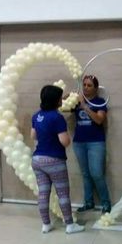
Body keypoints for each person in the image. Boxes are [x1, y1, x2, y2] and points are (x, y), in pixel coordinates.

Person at [31, 85, 85, 234]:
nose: (62, 100)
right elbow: (65, 141)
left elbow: (33, 136)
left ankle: (46, 224)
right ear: (56, 100)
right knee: (62, 193)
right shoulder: (57, 118)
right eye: (60, 97)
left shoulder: (36, 116)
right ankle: (69, 225)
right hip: (54, 160)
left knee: (43, 193)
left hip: (37, 159)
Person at [73, 75, 111, 214]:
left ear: (96, 88)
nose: (86, 88)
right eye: (84, 85)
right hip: (79, 142)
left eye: (89, 85)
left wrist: (85, 106)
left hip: (95, 142)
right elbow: (61, 106)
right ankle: (88, 202)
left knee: (96, 173)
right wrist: (69, 95)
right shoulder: (77, 101)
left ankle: (106, 203)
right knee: (85, 174)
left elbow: (99, 120)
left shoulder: (99, 101)